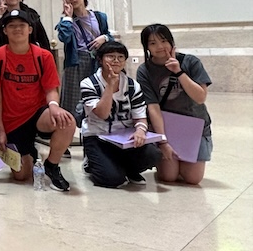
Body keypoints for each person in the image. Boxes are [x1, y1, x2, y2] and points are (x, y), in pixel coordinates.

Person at [0, 10, 75, 191]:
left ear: (30, 29)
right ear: (5, 31)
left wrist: (54, 106)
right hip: (12, 121)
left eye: (22, 25)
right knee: (21, 176)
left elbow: (51, 89)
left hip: (37, 114)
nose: (17, 29)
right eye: (12, 26)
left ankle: (52, 165)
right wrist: (0, 131)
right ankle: (30, 152)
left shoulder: (43, 56)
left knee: (67, 121)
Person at [137, 24, 213, 185]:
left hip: (194, 125)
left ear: (171, 41)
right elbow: (153, 107)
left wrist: (178, 71)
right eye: (153, 43)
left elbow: (200, 97)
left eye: (163, 41)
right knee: (168, 176)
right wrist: (162, 141)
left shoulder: (190, 62)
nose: (159, 46)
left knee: (193, 178)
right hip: (167, 126)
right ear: (146, 47)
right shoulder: (145, 70)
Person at [80, 41, 160, 188]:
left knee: (153, 154)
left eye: (120, 57)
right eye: (110, 56)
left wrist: (140, 131)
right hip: (98, 136)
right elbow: (102, 114)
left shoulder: (132, 85)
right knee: (113, 180)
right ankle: (92, 162)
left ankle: (129, 169)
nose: (116, 60)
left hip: (125, 137)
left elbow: (140, 117)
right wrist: (110, 85)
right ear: (100, 60)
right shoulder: (89, 84)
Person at [56, 0, 112, 124]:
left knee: (97, 94)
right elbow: (64, 37)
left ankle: (97, 126)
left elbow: (110, 37)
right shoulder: (66, 21)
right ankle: (70, 128)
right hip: (76, 61)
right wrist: (68, 17)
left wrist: (104, 38)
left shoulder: (99, 17)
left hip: (98, 61)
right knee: (73, 99)